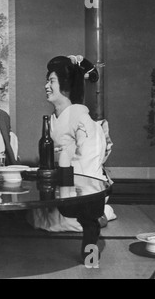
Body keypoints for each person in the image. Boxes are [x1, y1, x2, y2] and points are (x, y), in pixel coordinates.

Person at [27, 55, 116, 232]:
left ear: (66, 85)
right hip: (59, 185)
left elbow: (88, 166)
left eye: (51, 81)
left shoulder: (82, 119)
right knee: (34, 216)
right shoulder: (53, 119)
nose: (46, 86)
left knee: (60, 220)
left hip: (80, 189)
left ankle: (98, 215)